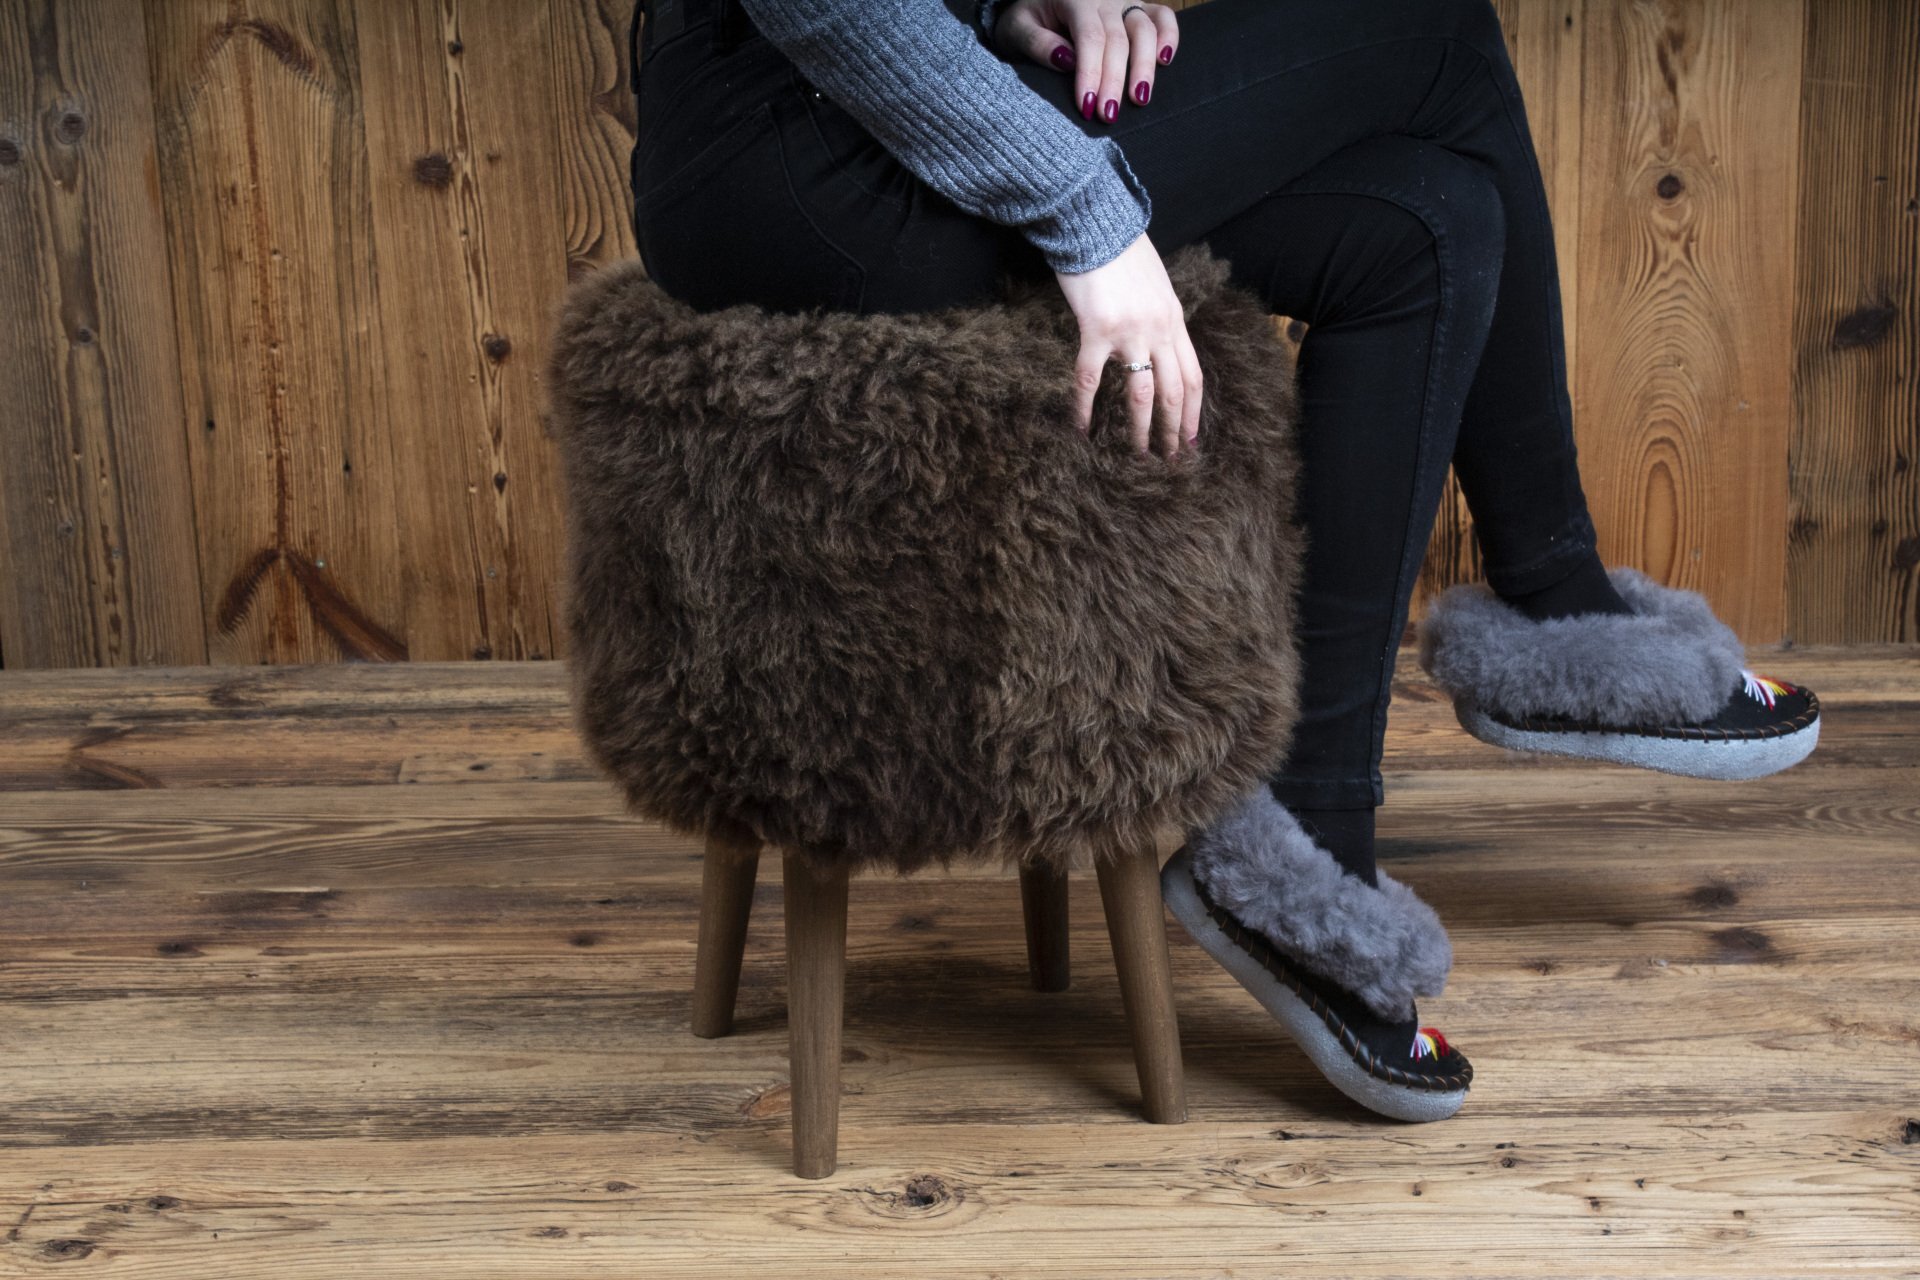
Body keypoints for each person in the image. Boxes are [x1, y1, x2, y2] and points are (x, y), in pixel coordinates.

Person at [626, 0, 1822, 1123]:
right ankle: (1554, 594)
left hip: (859, 128)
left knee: (1425, 218)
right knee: (1433, 23)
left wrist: (1009, 5)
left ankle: (1310, 834)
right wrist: (1088, 221)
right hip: (799, 171)